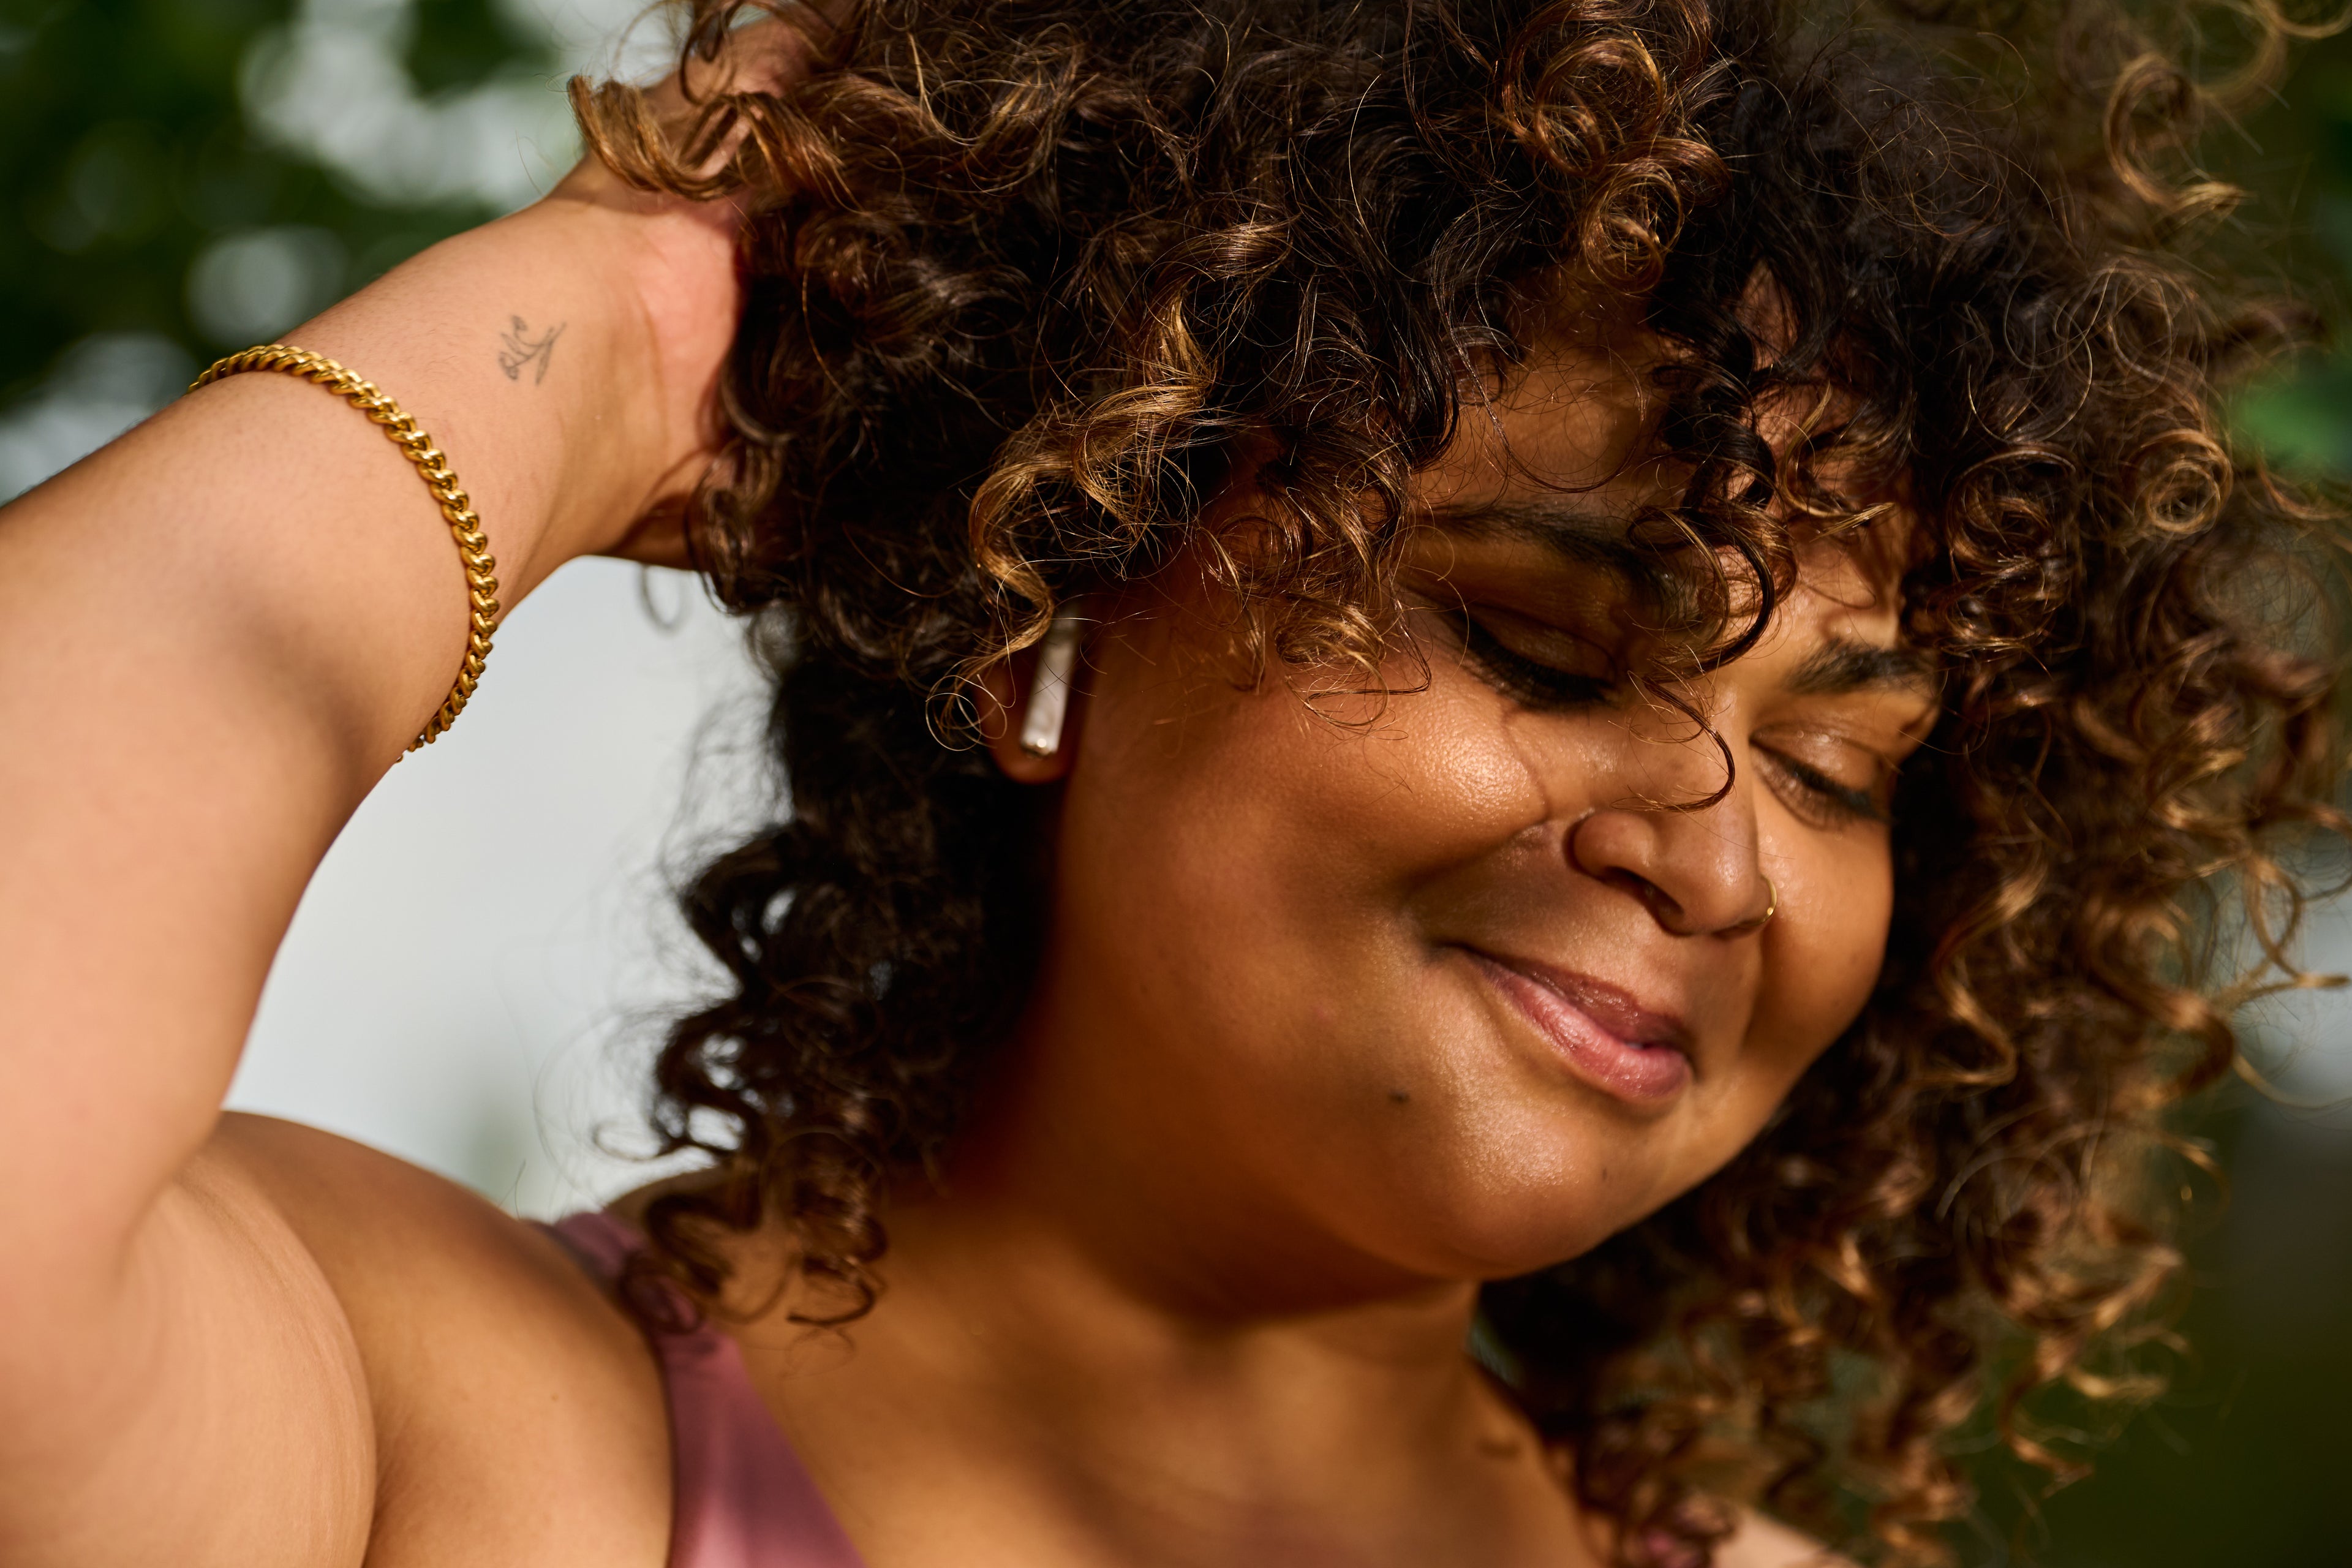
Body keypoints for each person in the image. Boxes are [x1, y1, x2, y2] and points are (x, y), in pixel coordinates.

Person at [2, 1, 2341, 1564]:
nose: (1724, 857)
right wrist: (612, 332)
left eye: (1847, 766)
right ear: (1062, 585)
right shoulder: (482, 1444)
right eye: (1537, 639)